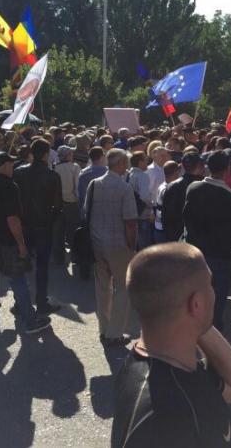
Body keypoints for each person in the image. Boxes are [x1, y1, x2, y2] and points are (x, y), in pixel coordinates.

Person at [111, 243, 231, 448]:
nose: (214, 293)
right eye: (210, 285)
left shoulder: (161, 364)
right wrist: (196, 315)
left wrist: (196, 320)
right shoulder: (160, 418)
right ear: (196, 303)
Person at [0, 152, 52, 342]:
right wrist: (21, 244)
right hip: (7, 244)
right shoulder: (9, 186)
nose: (12, 166)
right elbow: (13, 220)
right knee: (19, 283)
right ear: (5, 165)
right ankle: (30, 323)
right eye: (11, 162)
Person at [183, 150, 231, 331]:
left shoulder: (193, 188)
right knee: (216, 298)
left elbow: (186, 217)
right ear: (227, 169)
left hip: (195, 251)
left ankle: (194, 329)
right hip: (220, 255)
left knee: (195, 294)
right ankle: (212, 333)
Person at [84, 148, 138, 346]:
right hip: (118, 245)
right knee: (123, 288)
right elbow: (130, 223)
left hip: (97, 242)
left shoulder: (94, 184)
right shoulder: (124, 189)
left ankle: (104, 329)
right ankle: (114, 333)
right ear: (121, 164)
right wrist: (131, 247)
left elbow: (86, 212)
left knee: (102, 288)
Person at [13, 139, 63, 315]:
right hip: (42, 225)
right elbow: (58, 205)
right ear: (46, 154)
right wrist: (50, 219)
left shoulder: (18, 172)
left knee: (21, 263)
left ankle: (19, 302)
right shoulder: (51, 175)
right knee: (41, 265)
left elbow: (14, 199)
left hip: (24, 223)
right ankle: (41, 301)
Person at [161, 152, 204, 242]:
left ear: (183, 166)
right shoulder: (205, 187)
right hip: (198, 241)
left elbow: (165, 217)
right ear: (200, 167)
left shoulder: (171, 186)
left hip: (176, 240)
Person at [52, 145, 81, 265]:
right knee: (73, 232)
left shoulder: (54, 168)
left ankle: (58, 257)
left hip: (57, 204)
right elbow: (77, 186)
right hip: (71, 203)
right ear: (68, 155)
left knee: (58, 232)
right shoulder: (74, 167)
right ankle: (75, 257)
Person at [152, 160, 180, 244]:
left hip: (159, 228)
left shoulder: (162, 186)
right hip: (164, 231)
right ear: (175, 172)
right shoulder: (167, 190)